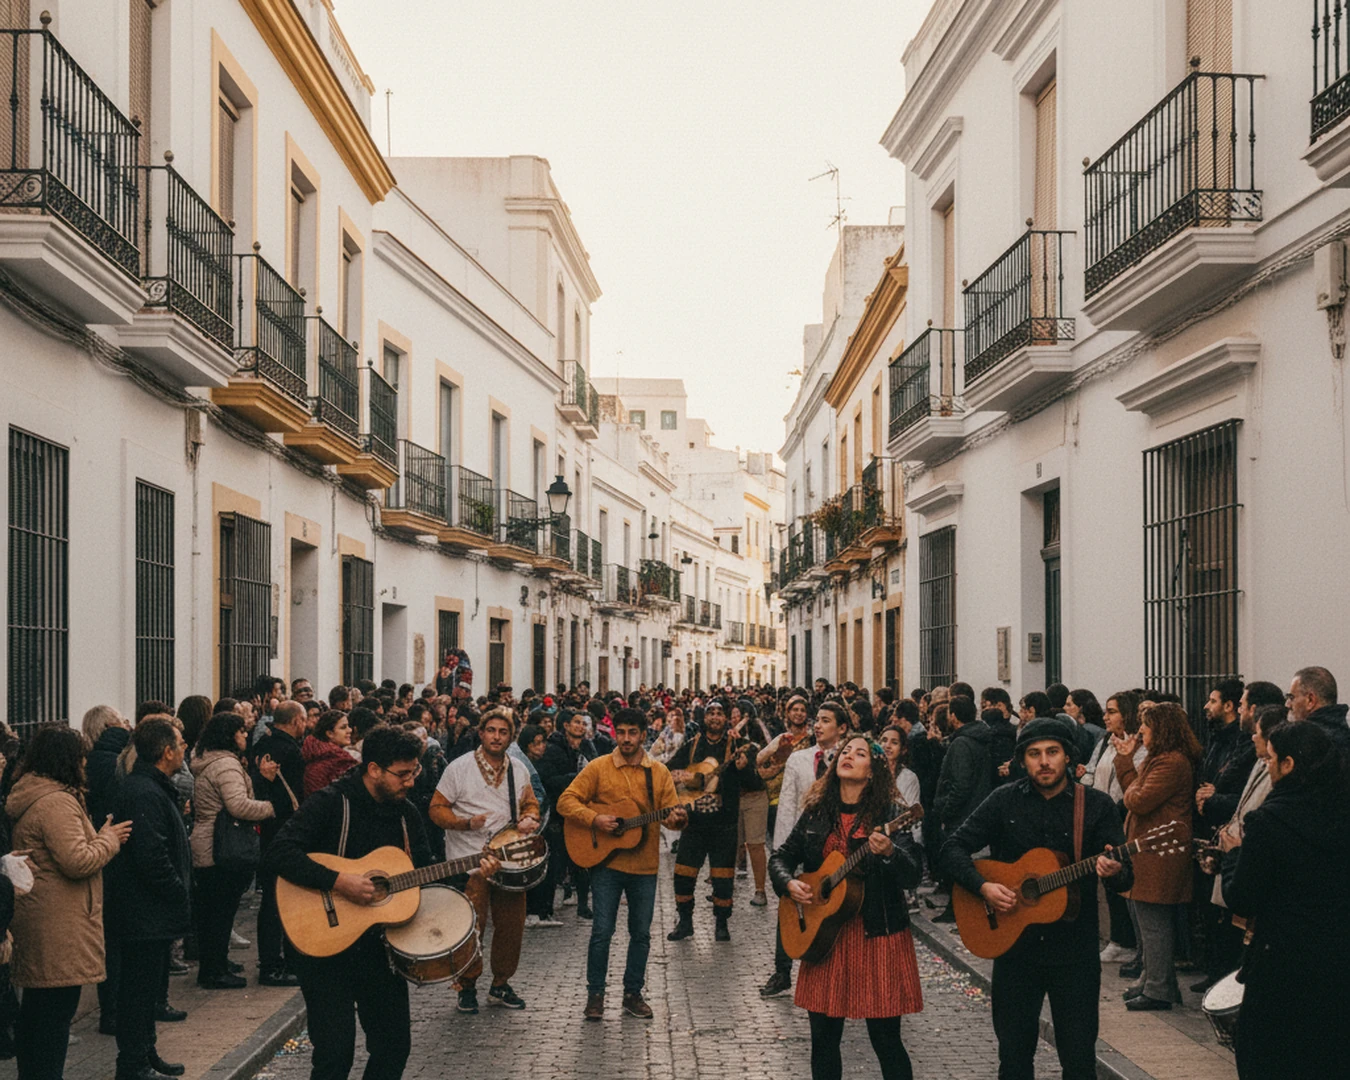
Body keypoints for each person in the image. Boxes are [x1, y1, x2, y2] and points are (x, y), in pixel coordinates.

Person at [941, 717, 1131, 1080]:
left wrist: (1114, 870)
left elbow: (1126, 876)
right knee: (1014, 1060)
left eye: (1052, 752)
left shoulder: (1096, 805)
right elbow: (952, 848)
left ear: (1068, 756)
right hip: (1015, 951)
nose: (1044, 761)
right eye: (1034, 754)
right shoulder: (1003, 800)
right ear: (1022, 760)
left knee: (1078, 1061)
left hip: (1074, 952)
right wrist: (983, 886)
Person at [266, 726, 456, 1080]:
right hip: (324, 947)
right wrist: (338, 881)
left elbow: (426, 871)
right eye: (402, 774)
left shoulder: (406, 814)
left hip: (380, 949)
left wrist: (472, 871)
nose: (411, 781)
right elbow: (279, 852)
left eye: (414, 771)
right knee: (334, 1056)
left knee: (393, 1047)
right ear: (373, 769)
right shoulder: (330, 802)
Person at [770, 734, 924, 1080]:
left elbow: (913, 873)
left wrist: (890, 852)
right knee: (824, 1041)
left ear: (873, 770)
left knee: (886, 1041)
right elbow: (781, 857)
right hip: (824, 937)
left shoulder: (891, 814)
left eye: (860, 753)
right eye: (845, 750)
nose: (849, 755)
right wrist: (789, 883)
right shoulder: (817, 812)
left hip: (877, 936)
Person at [1219, 721, 1350, 1078]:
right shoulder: (1341, 812)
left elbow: (1242, 897)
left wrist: (1232, 857)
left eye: (1271, 759)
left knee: (1272, 1058)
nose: (1267, 766)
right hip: (1338, 961)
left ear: (1289, 764)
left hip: (1281, 963)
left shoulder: (1268, 822)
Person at [8, 724, 129, 1080]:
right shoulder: (56, 802)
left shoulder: (38, 793)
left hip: (47, 917)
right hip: (58, 923)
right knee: (53, 1017)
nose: (85, 763)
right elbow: (77, 861)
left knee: (39, 1013)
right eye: (81, 756)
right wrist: (109, 839)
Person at [556, 708, 688, 1020]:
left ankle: (632, 994)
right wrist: (595, 819)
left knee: (641, 934)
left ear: (643, 735)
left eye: (633, 733)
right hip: (607, 866)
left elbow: (671, 816)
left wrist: (678, 819)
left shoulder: (658, 772)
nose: (626, 739)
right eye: (622, 732)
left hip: (645, 868)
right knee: (602, 931)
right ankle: (595, 996)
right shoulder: (599, 767)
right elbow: (565, 801)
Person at [430, 708, 540, 1014]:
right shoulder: (459, 768)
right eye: (491, 730)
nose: (496, 737)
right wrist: (465, 823)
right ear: (481, 733)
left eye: (503, 732)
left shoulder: (518, 768)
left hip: (509, 861)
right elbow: (436, 809)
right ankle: (466, 985)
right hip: (470, 863)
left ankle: (500, 984)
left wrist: (530, 818)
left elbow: (530, 803)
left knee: (511, 925)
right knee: (471, 925)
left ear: (511, 737)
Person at [103, 718, 192, 1080]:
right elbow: (151, 855)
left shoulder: (152, 787)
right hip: (144, 911)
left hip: (149, 911)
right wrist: (178, 891)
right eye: (181, 743)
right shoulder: (144, 792)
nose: (185, 748)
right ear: (166, 751)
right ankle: (133, 1063)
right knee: (138, 991)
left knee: (147, 988)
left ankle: (145, 1052)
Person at [1113, 701, 1200, 1010]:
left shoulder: (1171, 763)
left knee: (1154, 924)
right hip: (1149, 851)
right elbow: (1135, 791)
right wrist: (1128, 766)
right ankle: (1153, 980)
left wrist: (1127, 769)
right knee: (1146, 920)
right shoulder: (1160, 759)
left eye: (1146, 726)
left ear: (1161, 730)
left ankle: (1159, 989)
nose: (1140, 732)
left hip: (1160, 854)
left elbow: (1139, 800)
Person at [189, 711, 277, 988]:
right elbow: (238, 805)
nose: (245, 735)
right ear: (229, 735)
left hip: (208, 843)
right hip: (219, 846)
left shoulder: (211, 761)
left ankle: (217, 962)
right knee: (220, 911)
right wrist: (270, 808)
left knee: (215, 911)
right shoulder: (226, 765)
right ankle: (214, 971)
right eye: (241, 731)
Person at [664, 699, 757, 942]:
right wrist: (678, 777)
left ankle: (721, 924)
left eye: (719, 713)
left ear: (726, 718)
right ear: (704, 718)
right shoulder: (692, 745)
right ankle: (685, 922)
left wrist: (744, 767)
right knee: (683, 876)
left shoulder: (737, 745)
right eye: (710, 713)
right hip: (694, 824)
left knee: (723, 879)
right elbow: (669, 769)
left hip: (724, 825)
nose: (715, 717)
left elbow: (752, 779)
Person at [1079, 691, 1145, 969]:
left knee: (1120, 876)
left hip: (1120, 814)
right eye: (1106, 711)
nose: (1106, 717)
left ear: (1126, 715)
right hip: (1101, 813)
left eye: (1112, 711)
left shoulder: (1139, 747)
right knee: (1106, 877)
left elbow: (1133, 782)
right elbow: (1094, 771)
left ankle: (1125, 941)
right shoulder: (1106, 741)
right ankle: (1116, 939)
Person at [250, 700, 306, 988]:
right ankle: (273, 963)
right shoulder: (291, 751)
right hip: (284, 829)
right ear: (296, 721)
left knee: (272, 899)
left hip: (269, 830)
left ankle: (272, 960)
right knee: (277, 900)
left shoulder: (262, 744)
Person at [930, 695, 992, 923]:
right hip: (976, 808)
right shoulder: (979, 739)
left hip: (962, 813)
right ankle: (956, 909)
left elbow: (961, 784)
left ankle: (958, 911)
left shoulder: (962, 743)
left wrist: (946, 811)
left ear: (954, 716)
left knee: (956, 861)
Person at [537, 709, 599, 918]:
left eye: (583, 723)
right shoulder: (553, 749)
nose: (581, 726)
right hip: (557, 813)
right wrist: (576, 778)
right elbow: (548, 780)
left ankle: (582, 905)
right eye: (577, 722)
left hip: (580, 811)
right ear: (566, 726)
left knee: (581, 859)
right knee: (555, 860)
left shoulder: (587, 747)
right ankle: (545, 910)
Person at [730, 700, 772, 906]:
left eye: (737, 714)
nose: (733, 718)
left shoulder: (755, 736)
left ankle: (760, 890)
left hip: (755, 796)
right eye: (732, 715)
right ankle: (724, 886)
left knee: (755, 845)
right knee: (731, 843)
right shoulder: (729, 738)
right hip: (733, 796)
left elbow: (766, 752)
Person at [1287, 665, 1350, 757]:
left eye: (1292, 697)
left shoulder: (1304, 740)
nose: (1287, 704)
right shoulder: (1345, 732)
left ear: (1310, 700)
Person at [302, 710, 359, 798]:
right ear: (330, 734)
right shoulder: (338, 762)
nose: (350, 730)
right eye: (343, 727)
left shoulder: (317, 756)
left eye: (348, 726)